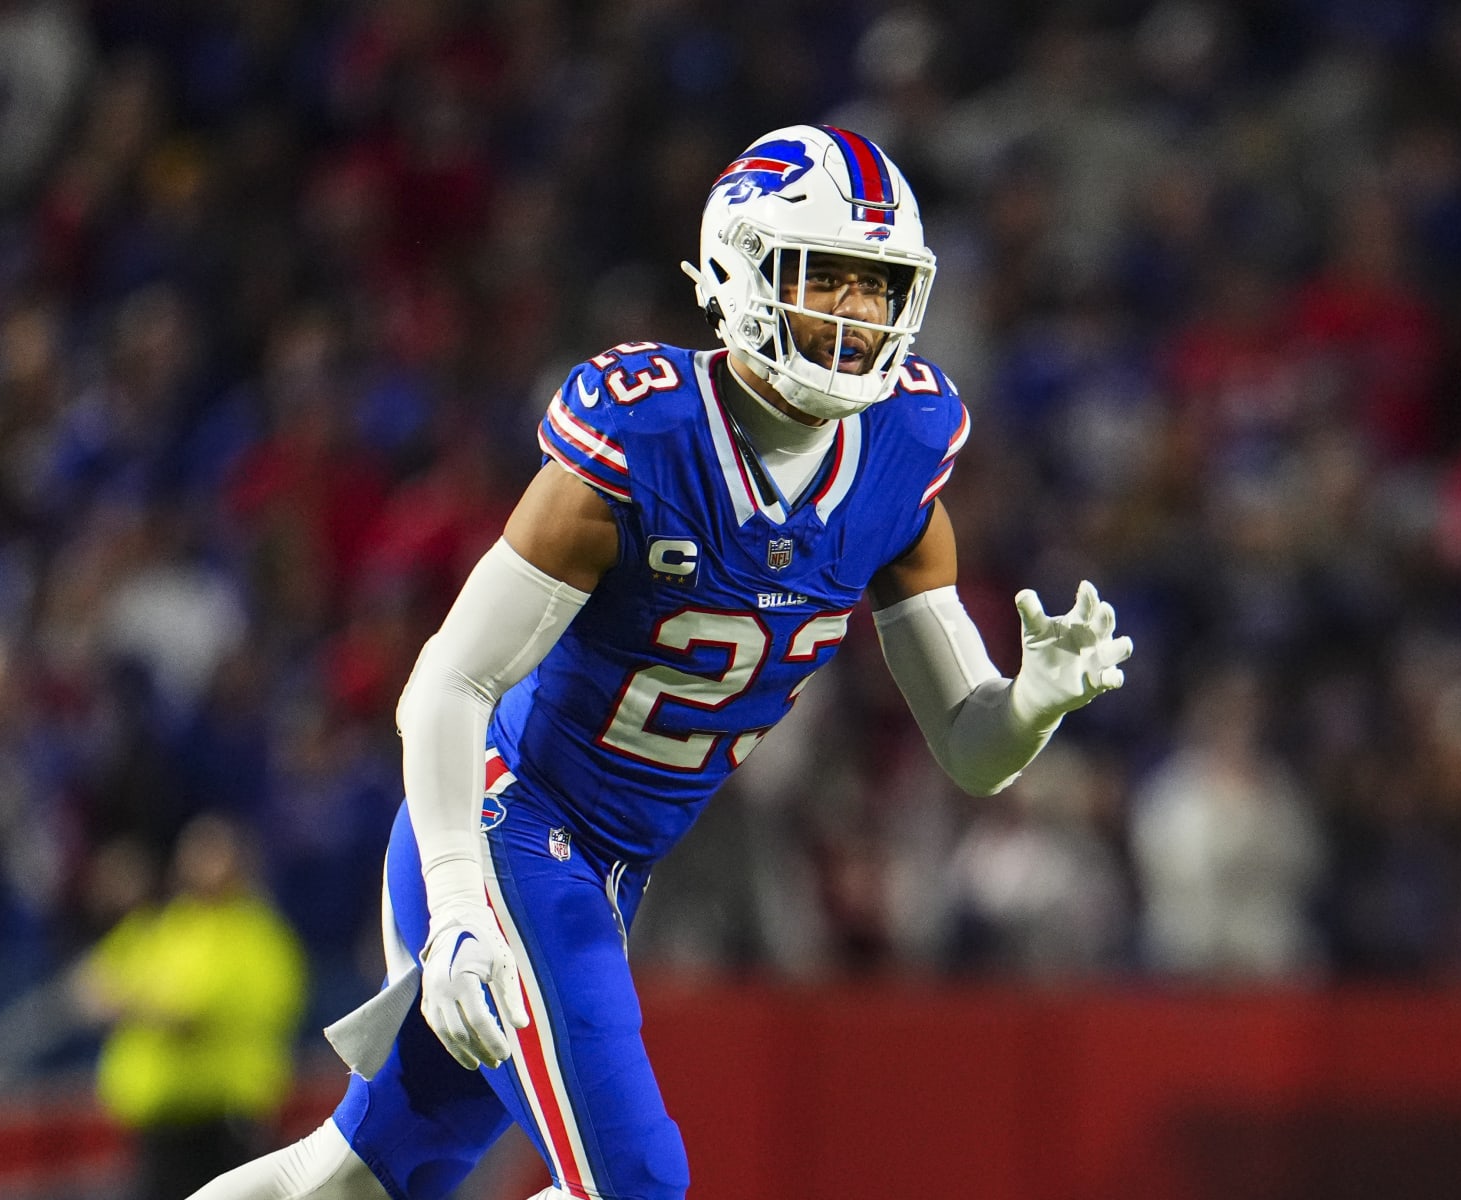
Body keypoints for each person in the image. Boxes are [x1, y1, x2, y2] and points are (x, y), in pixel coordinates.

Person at [189, 124, 1131, 1200]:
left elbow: (970, 749)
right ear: (738, 270)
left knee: (352, 1180)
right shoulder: (644, 442)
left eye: (878, 288)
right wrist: (455, 905)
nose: (855, 316)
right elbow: (447, 681)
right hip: (503, 829)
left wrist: (1031, 706)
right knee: (634, 1184)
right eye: (827, 278)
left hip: (610, 867)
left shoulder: (903, 458)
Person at [76, 815, 307, 1200]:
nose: (203, 865)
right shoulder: (169, 925)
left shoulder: (259, 936)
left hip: (221, 1118)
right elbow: (96, 981)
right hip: (158, 1119)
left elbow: (199, 1016)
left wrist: (137, 1006)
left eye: (214, 854)